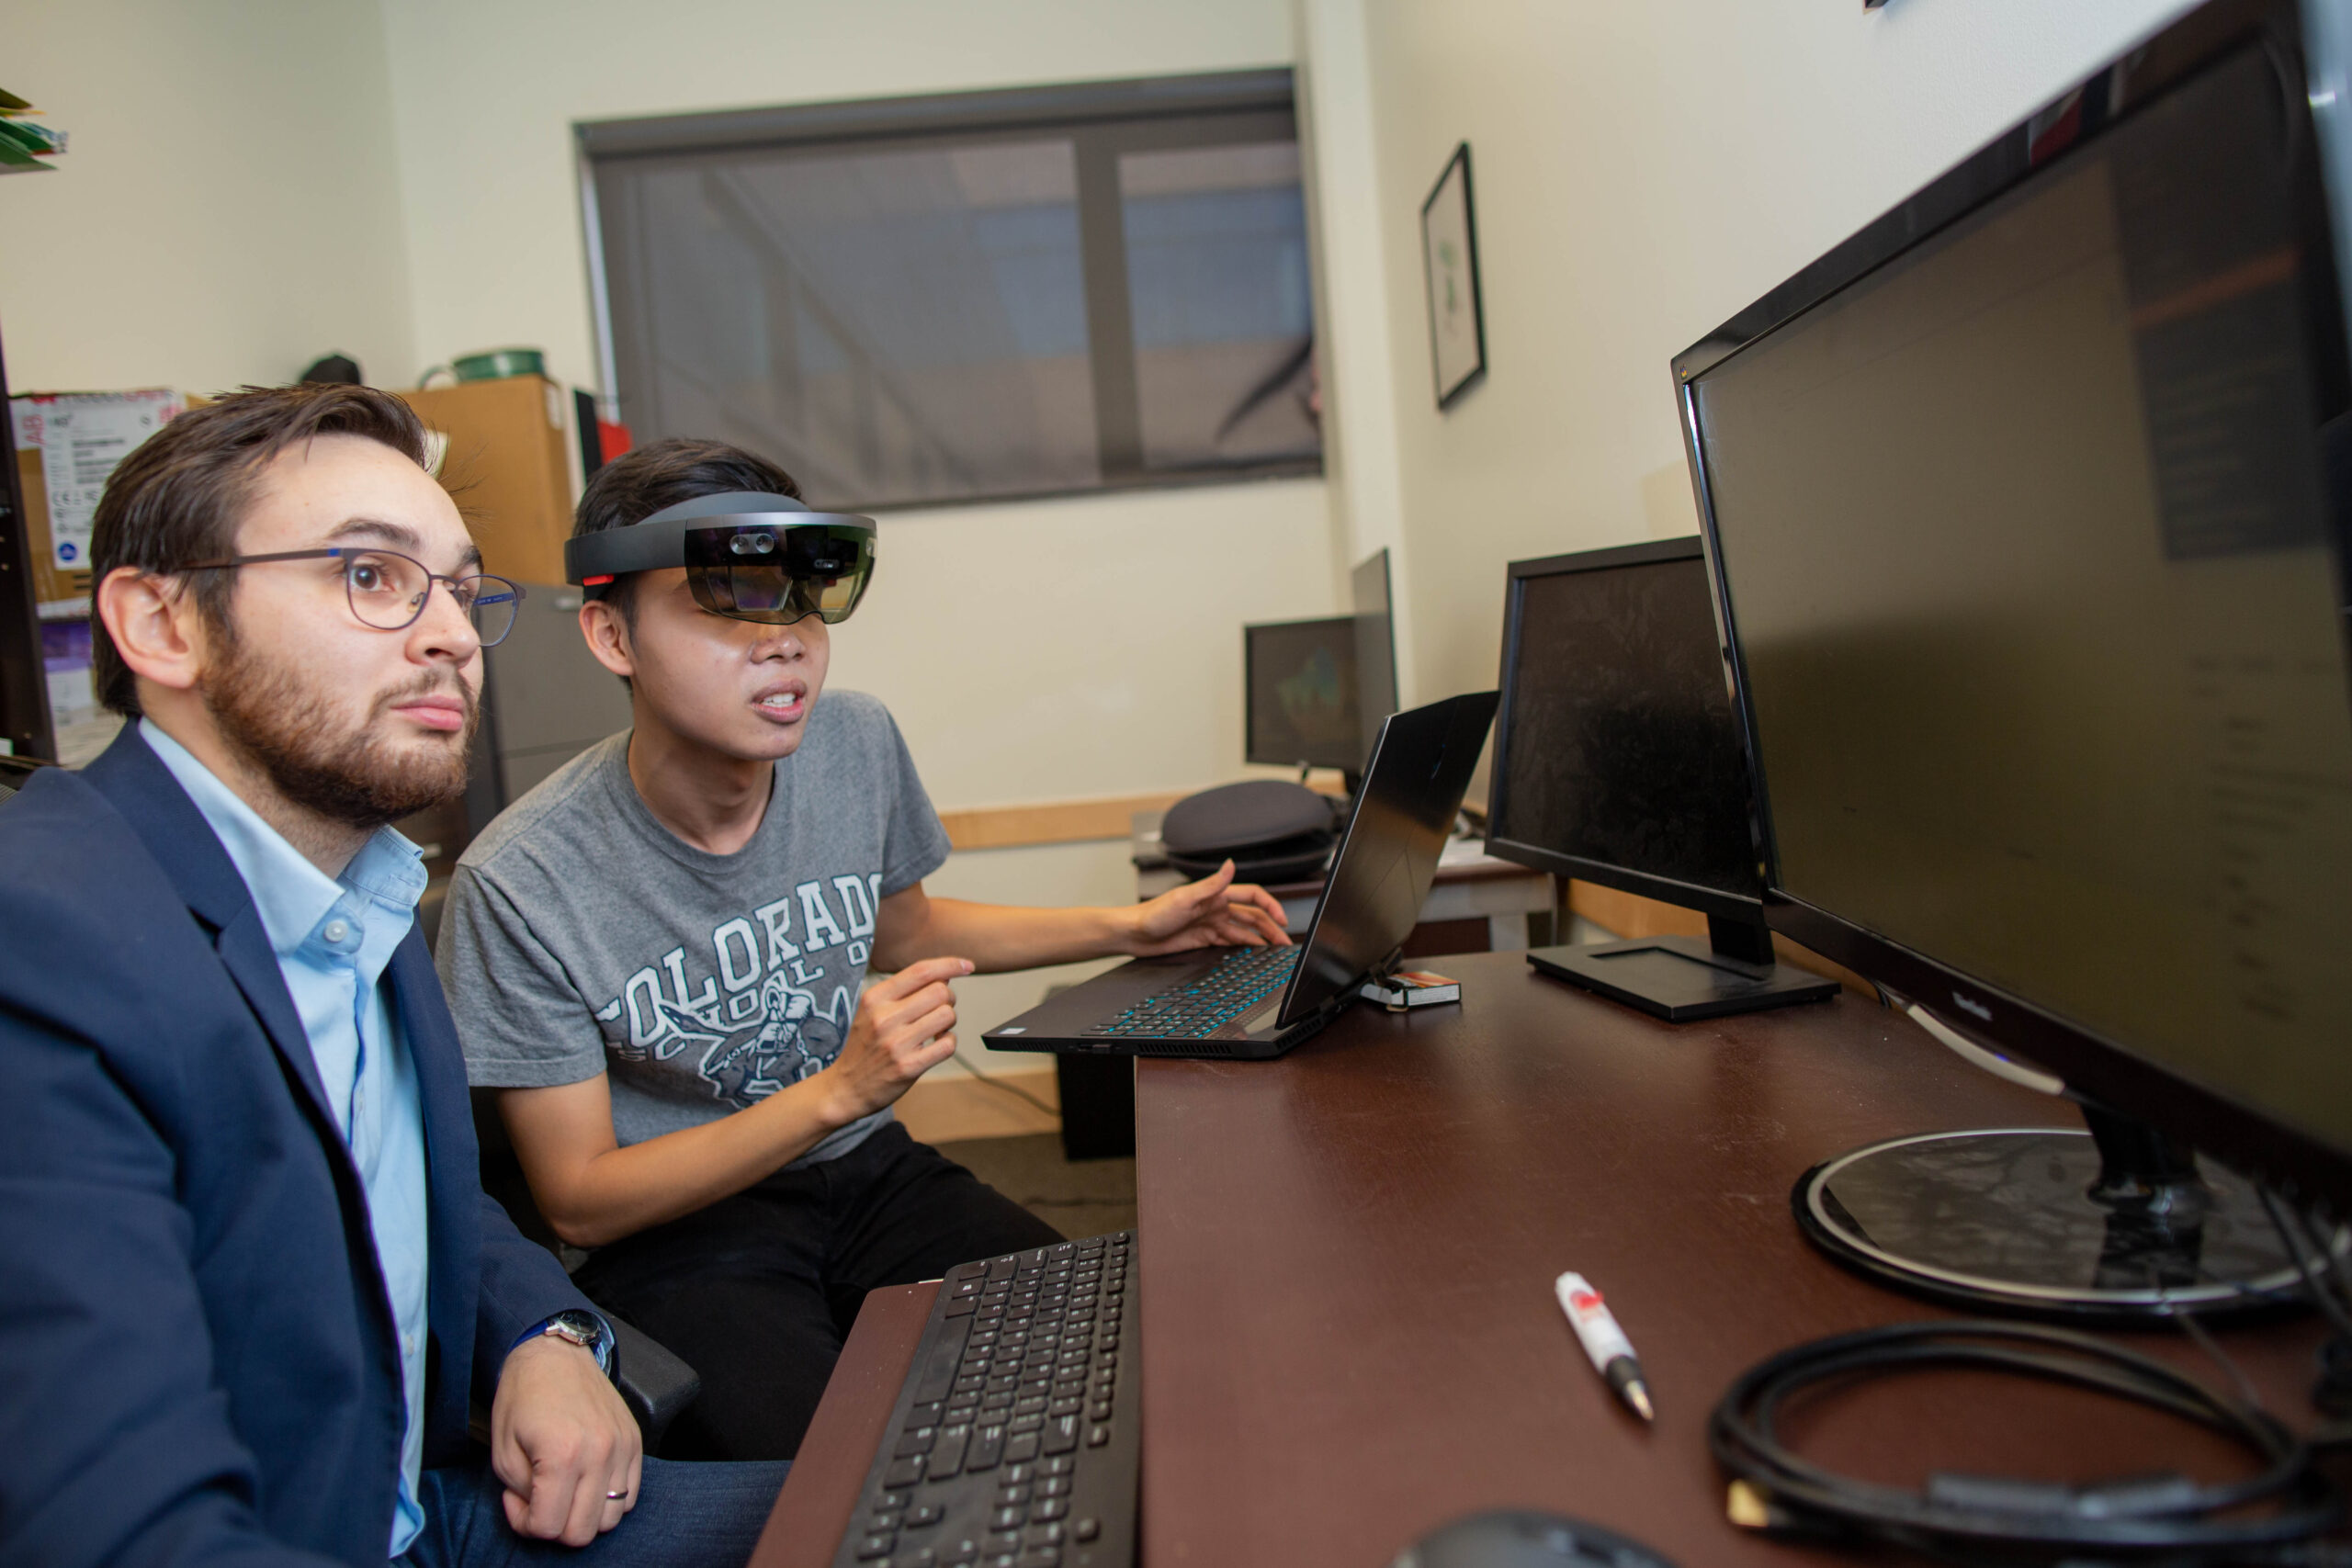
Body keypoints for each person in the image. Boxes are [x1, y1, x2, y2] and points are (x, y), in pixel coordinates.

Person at [0, 386, 788, 1568]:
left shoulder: (363, 882)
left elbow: (397, 1181)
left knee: (929, 1496)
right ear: (162, 625)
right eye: (370, 575)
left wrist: (540, 1332)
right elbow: (120, 1529)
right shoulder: (44, 942)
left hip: (426, 1507)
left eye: (460, 589)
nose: (452, 637)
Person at [436, 437, 1289, 1461]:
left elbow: (906, 929)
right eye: (725, 597)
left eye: (800, 599)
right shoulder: (521, 880)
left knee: (1118, 1355)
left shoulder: (853, 744)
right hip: (686, 1236)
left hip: (863, 1171)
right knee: (831, 1476)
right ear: (611, 635)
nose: (785, 639)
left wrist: (1129, 926)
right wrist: (841, 1089)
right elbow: (579, 1197)